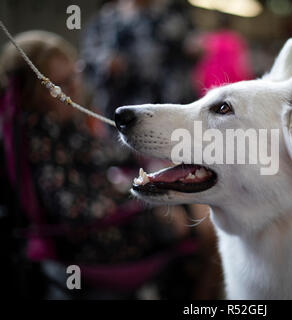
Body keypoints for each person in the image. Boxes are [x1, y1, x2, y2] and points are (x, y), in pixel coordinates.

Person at [0, 30, 219, 299]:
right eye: (62, 83)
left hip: (114, 216)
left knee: (200, 214)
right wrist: (148, 208)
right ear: (34, 92)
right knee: (208, 229)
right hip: (95, 238)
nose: (74, 88)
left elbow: (106, 157)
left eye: (75, 74)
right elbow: (77, 210)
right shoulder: (40, 139)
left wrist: (150, 152)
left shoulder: (63, 124)